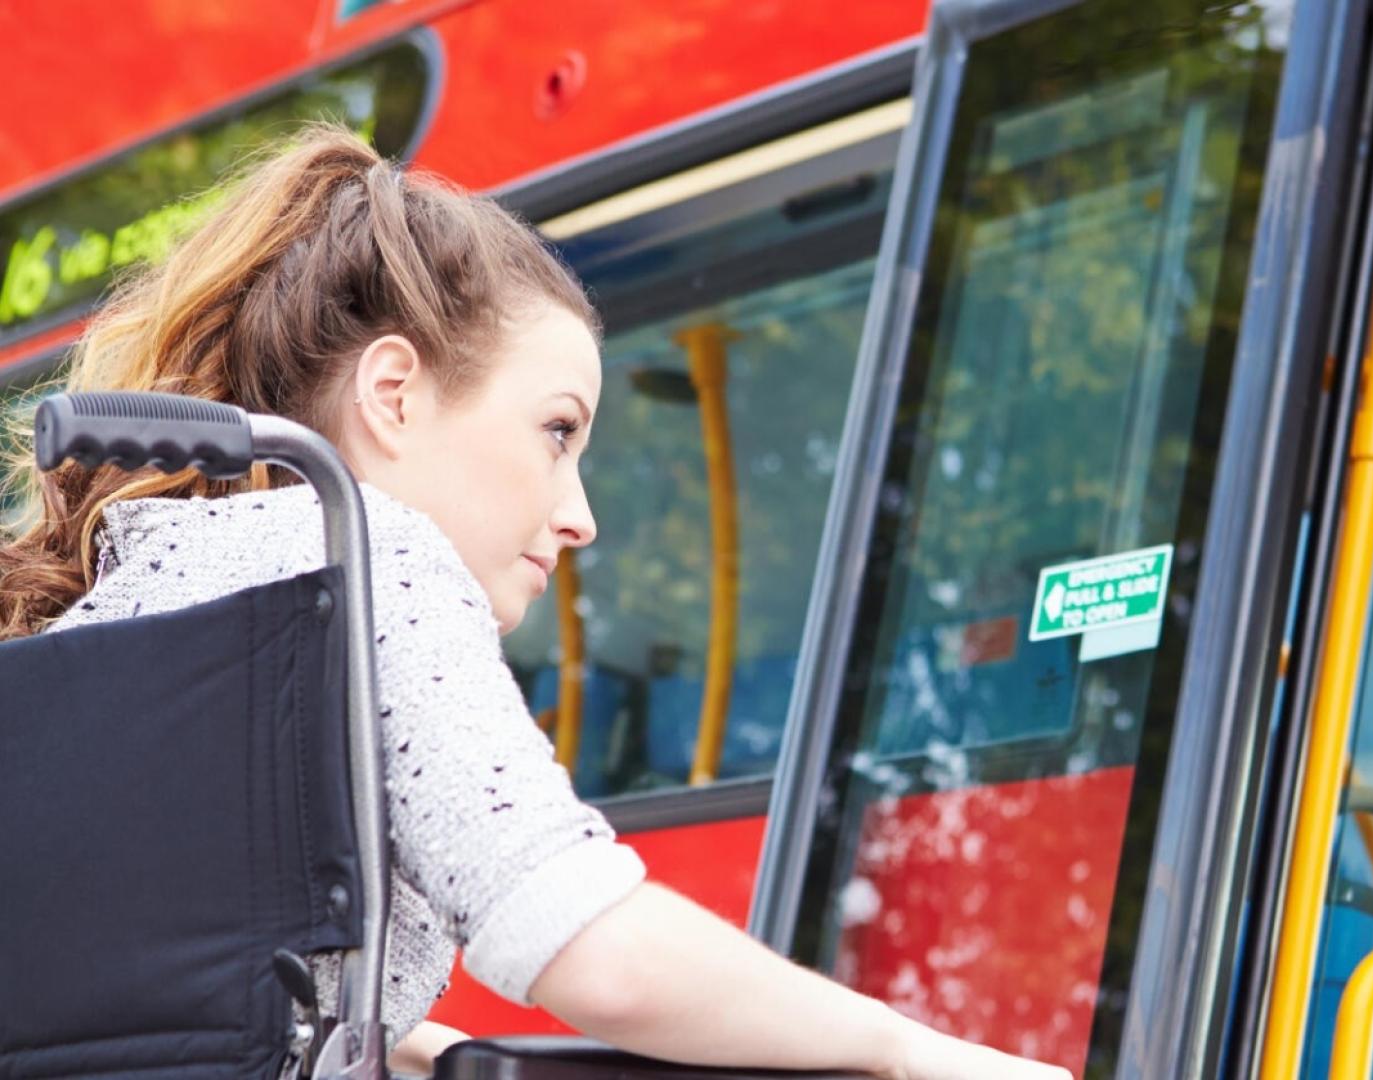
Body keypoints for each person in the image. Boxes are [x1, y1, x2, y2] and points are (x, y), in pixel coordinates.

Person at [0, 126, 1071, 1080]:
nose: (580, 517)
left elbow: (171, 990)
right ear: (393, 395)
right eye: (557, 433)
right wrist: (904, 1048)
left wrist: (407, 1037)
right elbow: (588, 946)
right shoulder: (360, 559)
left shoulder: (116, 608)